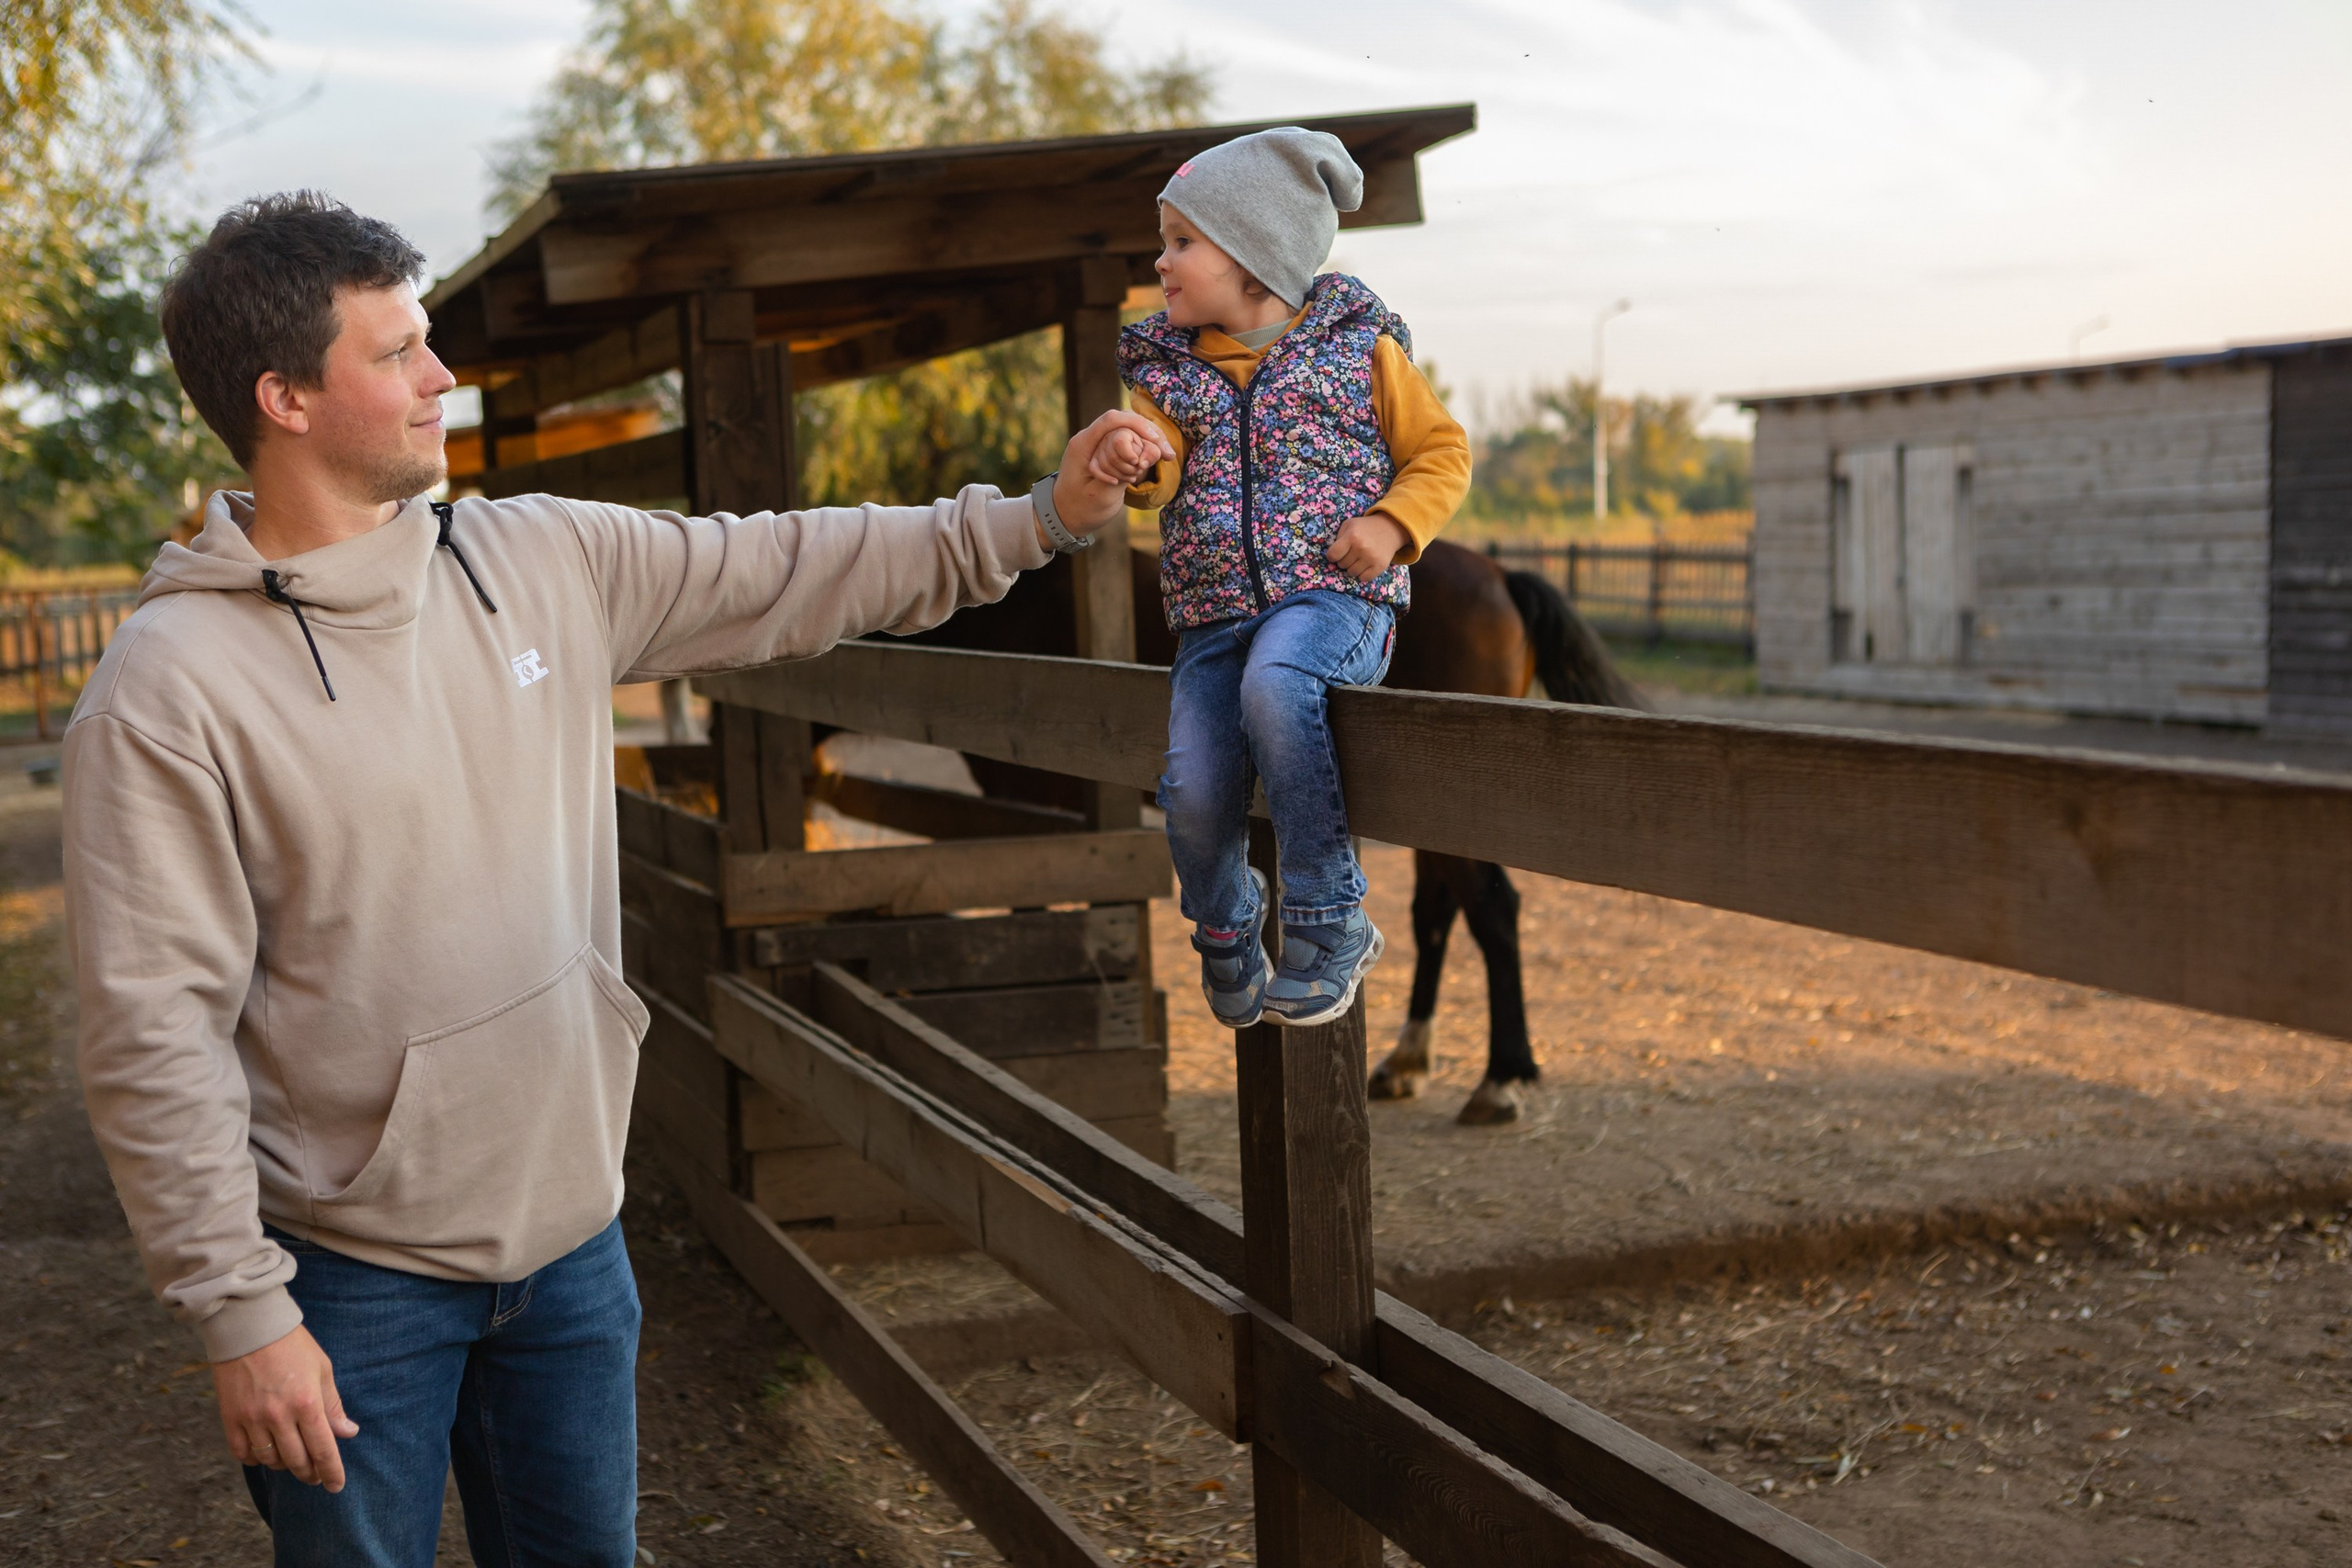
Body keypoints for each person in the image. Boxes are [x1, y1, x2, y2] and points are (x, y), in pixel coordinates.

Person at [61, 191, 1164, 1568]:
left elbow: (795, 562)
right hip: (345, 1282)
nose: (440, 375)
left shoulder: (541, 560)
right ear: (282, 396)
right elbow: (150, 1030)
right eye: (397, 351)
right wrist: (242, 1315)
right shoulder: (166, 691)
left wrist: (1039, 516)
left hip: (573, 1238)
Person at [1089, 128, 1470, 1030]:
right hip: (1215, 615)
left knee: (1281, 681)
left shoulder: (1359, 352)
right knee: (1188, 786)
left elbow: (1441, 452)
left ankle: (1328, 919)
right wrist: (1138, 461)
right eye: (1164, 238)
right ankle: (1225, 927)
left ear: (1254, 261)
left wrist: (1390, 523)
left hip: (1332, 600)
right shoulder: (1171, 374)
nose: (1161, 260)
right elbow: (1164, 471)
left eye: (1182, 241)